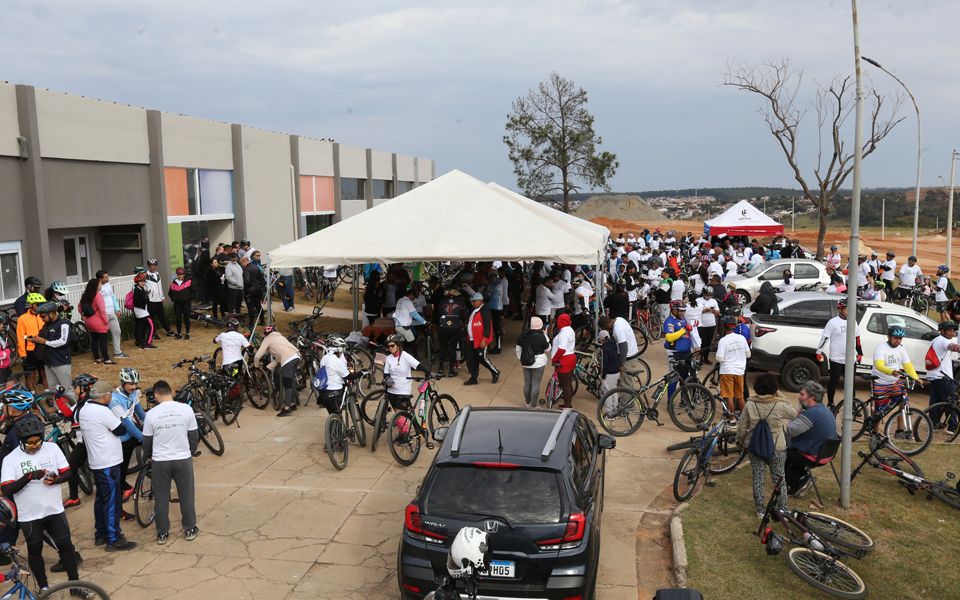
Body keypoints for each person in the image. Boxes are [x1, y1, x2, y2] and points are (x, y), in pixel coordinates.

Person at [0, 417, 91, 595]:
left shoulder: (52, 448)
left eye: (38, 441)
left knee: (66, 547)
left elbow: (68, 473)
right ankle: (44, 589)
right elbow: (7, 489)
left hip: (54, 510)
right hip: (29, 515)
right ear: (21, 440)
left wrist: (58, 479)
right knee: (35, 551)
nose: (35, 446)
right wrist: (28, 477)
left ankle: (75, 585)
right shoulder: (11, 459)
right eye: (30, 443)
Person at [77, 380, 137, 551]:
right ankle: (113, 538)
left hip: (97, 462)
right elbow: (122, 430)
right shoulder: (103, 412)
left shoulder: (85, 409)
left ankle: (101, 533)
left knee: (102, 499)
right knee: (112, 501)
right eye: (110, 394)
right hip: (108, 463)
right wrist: (117, 425)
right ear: (105, 396)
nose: (112, 397)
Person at [143, 380, 200, 545]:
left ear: (156, 396)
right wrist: (190, 452)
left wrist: (150, 455)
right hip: (183, 459)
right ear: (172, 392)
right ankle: (189, 529)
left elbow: (147, 440)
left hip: (160, 461)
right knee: (187, 495)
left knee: (161, 498)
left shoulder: (151, 414)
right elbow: (194, 435)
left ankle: (162, 533)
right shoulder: (186, 409)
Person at [735, 373, 797, 517]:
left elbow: (742, 427)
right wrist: (781, 394)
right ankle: (783, 509)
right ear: (774, 389)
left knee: (758, 478)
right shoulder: (780, 404)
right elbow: (793, 413)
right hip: (777, 447)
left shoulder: (750, 404)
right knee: (779, 478)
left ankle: (760, 510)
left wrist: (740, 442)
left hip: (755, 446)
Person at [783, 381, 838, 496]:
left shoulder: (812, 413)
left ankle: (795, 485)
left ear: (812, 397)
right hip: (826, 454)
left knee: (780, 453)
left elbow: (791, 430)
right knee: (792, 451)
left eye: (802, 394)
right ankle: (803, 478)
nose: (799, 397)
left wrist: (797, 412)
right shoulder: (824, 410)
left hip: (814, 456)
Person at [872, 321, 921, 439]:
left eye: (900, 338)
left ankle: (900, 431)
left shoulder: (901, 349)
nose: (898, 341)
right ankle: (874, 432)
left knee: (904, 403)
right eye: (896, 338)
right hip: (881, 382)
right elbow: (879, 365)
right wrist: (891, 372)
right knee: (879, 410)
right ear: (889, 336)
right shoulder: (880, 348)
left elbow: (908, 366)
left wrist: (916, 378)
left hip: (895, 383)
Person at [109, 368, 146, 511]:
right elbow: (126, 422)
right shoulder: (114, 399)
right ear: (123, 383)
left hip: (130, 436)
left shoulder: (134, 393)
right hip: (121, 439)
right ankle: (121, 497)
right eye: (131, 384)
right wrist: (143, 438)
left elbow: (139, 411)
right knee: (120, 471)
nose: (134, 387)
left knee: (122, 470)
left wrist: (151, 424)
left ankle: (125, 487)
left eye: (136, 384)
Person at [817, 298, 862, 408]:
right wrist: (819, 351)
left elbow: (857, 338)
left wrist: (860, 353)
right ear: (840, 309)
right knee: (834, 381)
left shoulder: (853, 322)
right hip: (836, 358)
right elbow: (825, 338)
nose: (849, 311)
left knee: (850, 383)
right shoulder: (833, 322)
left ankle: (852, 405)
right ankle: (830, 403)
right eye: (847, 309)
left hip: (850, 359)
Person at [30, 302, 74, 401]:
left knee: (67, 389)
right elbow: (43, 340)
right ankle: (58, 408)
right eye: (40, 317)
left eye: (43, 316)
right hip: (48, 362)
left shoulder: (63, 324)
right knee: (53, 390)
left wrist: (45, 341)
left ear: (51, 313)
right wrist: (35, 340)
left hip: (61, 361)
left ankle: (72, 408)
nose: (42, 319)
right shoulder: (46, 325)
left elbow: (63, 341)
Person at [254, 325, 301, 417]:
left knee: (287, 383)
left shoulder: (267, 339)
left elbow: (258, 356)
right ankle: (293, 404)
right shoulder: (280, 337)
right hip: (296, 357)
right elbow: (279, 358)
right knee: (290, 381)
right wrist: (268, 368)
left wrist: (256, 366)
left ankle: (287, 407)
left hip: (288, 360)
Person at [925, 321, 960, 436]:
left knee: (936, 402)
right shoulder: (943, 341)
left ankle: (933, 424)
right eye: (950, 331)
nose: (952, 333)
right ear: (943, 331)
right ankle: (953, 427)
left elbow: (942, 356)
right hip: (944, 377)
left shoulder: (936, 340)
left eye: (954, 331)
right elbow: (953, 347)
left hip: (934, 376)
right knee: (951, 403)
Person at [382, 334, 433, 411]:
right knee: (397, 413)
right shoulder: (389, 358)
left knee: (399, 414)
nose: (390, 348)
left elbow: (418, 365)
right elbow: (386, 373)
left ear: (399, 345)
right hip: (391, 390)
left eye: (392, 346)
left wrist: (429, 373)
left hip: (403, 390)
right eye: (388, 346)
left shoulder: (405, 356)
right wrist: (388, 378)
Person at [717, 315, 751, 426]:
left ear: (724, 327)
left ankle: (732, 421)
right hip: (740, 371)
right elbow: (748, 354)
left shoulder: (723, 341)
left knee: (729, 397)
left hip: (727, 371)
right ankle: (743, 420)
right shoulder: (742, 338)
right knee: (740, 396)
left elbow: (719, 358)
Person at [464, 293, 499, 386]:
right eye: (472, 301)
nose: (473, 303)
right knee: (471, 358)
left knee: (482, 358)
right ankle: (473, 377)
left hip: (480, 340)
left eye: (474, 301)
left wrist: (484, 339)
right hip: (472, 339)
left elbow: (488, 326)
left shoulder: (485, 311)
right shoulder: (473, 310)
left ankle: (495, 372)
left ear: (480, 301)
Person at [516, 317, 550, 408]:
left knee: (527, 383)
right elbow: (548, 349)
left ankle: (527, 403)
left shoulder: (522, 335)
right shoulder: (541, 337)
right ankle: (533, 406)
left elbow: (518, 349)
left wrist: (522, 359)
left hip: (526, 363)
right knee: (535, 384)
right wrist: (545, 336)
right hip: (539, 363)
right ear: (540, 327)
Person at [16, 293, 47, 393]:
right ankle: (32, 395)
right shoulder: (22, 319)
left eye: (42, 304)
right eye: (38, 304)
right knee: (30, 374)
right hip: (30, 350)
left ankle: (49, 395)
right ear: (30, 304)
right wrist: (23, 355)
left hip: (43, 348)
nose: (40, 306)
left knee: (45, 373)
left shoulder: (44, 316)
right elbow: (21, 337)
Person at [79, 278, 113, 365]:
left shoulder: (85, 295)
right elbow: (102, 310)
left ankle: (97, 358)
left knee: (94, 341)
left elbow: (79, 307)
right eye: (99, 285)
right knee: (103, 341)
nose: (101, 286)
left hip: (89, 322)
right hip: (98, 322)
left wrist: (83, 315)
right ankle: (106, 359)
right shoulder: (98, 295)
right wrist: (106, 321)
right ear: (95, 286)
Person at [97, 271, 128, 359]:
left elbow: (112, 297)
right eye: (106, 277)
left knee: (117, 331)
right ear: (100, 279)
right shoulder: (96, 287)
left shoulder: (108, 285)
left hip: (112, 313)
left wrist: (117, 308)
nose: (108, 278)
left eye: (108, 276)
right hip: (103, 314)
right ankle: (105, 354)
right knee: (103, 335)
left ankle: (117, 352)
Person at [437, 287, 466, 377]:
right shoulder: (460, 301)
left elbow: (438, 313)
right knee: (453, 348)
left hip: (443, 326)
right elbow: (464, 315)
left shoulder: (442, 300)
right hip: (455, 326)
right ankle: (451, 370)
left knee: (443, 346)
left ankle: (440, 367)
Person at [317, 336, 350, 416]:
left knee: (332, 414)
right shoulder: (336, 361)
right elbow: (347, 376)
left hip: (324, 391)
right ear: (339, 349)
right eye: (342, 349)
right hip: (335, 390)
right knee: (338, 414)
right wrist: (362, 373)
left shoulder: (325, 357)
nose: (343, 351)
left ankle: (332, 422)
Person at [550, 313, 576, 409]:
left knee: (565, 385)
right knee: (568, 383)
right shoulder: (570, 330)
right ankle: (568, 404)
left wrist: (555, 359)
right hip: (571, 358)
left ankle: (567, 407)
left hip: (564, 360)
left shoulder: (563, 334)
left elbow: (561, 349)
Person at [143, 259, 172, 339]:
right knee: (151, 318)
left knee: (162, 316)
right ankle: (153, 333)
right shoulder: (146, 275)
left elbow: (160, 287)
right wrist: (147, 290)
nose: (152, 267)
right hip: (151, 300)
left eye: (154, 266)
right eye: (151, 266)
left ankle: (168, 331)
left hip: (158, 299)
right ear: (148, 266)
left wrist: (162, 297)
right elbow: (142, 284)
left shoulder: (157, 274)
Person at [394, 288, 427, 358]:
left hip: (397, 325)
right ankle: (415, 358)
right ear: (411, 295)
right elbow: (415, 314)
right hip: (404, 326)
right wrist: (424, 322)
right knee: (412, 342)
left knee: (401, 343)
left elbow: (395, 314)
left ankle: (399, 357)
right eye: (414, 297)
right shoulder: (408, 302)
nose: (414, 299)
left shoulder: (400, 300)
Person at [598, 330, 621, 414]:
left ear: (601, 339)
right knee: (614, 390)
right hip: (616, 371)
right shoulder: (615, 344)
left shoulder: (604, 348)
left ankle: (609, 412)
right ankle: (615, 409)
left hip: (609, 373)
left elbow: (605, 363)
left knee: (607, 393)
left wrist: (603, 375)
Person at [696, 287, 721, 364]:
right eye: (707, 295)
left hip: (711, 324)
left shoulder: (714, 301)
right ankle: (699, 358)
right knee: (702, 342)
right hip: (701, 324)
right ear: (703, 294)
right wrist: (704, 310)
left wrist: (713, 310)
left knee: (708, 342)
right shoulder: (698, 300)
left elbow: (718, 312)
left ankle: (706, 358)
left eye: (710, 295)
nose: (709, 297)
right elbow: (695, 311)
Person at [132, 273, 156, 350]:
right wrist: (146, 298)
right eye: (140, 281)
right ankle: (148, 343)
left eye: (143, 281)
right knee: (151, 326)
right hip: (142, 312)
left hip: (138, 311)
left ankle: (141, 343)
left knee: (140, 327)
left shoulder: (137, 288)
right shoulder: (139, 290)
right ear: (137, 282)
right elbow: (145, 300)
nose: (142, 283)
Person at [240, 256, 265, 328]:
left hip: (251, 290)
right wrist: (260, 287)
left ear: (245, 262)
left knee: (250, 306)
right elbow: (262, 279)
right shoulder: (256, 267)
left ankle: (251, 323)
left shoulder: (246, 270)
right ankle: (262, 320)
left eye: (242, 263)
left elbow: (247, 281)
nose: (242, 265)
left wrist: (247, 292)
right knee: (258, 305)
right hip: (258, 289)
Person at [168, 267, 192, 340]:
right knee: (178, 319)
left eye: (181, 274)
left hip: (186, 303)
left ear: (184, 275)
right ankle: (179, 333)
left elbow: (193, 291)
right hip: (177, 304)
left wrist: (188, 298)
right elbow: (170, 293)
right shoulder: (173, 282)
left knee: (186, 318)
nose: (180, 276)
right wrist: (174, 299)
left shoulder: (189, 281)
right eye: (178, 274)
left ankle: (187, 333)